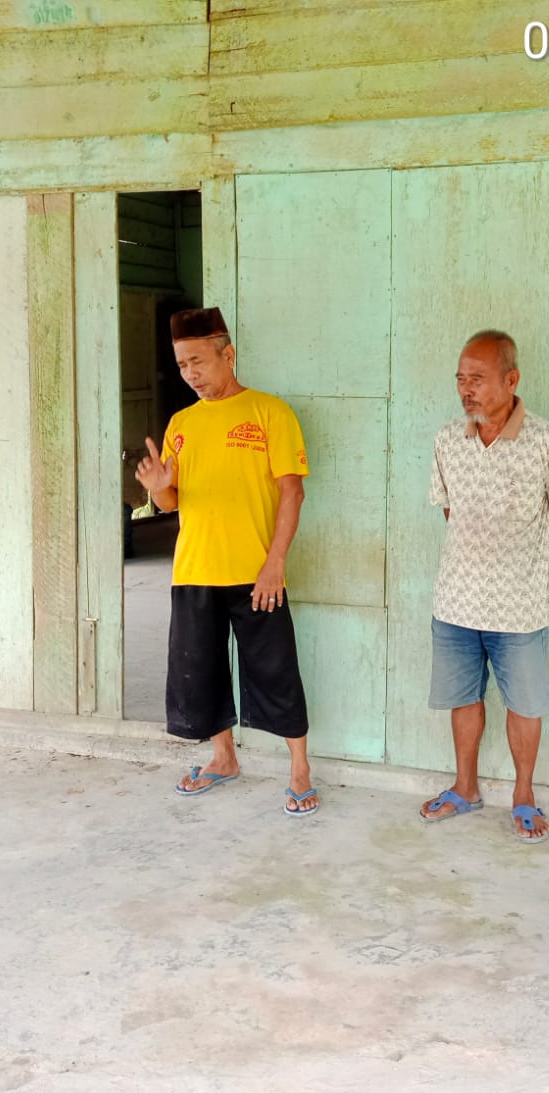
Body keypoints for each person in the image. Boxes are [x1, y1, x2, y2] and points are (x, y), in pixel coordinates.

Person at [133, 307, 318, 816]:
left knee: (277, 672)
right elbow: (172, 503)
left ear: (228, 354)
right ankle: (224, 758)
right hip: (195, 570)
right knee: (201, 672)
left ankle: (299, 770)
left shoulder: (270, 413)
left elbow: (292, 493)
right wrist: (159, 488)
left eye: (198, 361)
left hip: (257, 573)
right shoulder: (181, 424)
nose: (190, 373)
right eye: (181, 365)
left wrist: (275, 563)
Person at [418, 331, 549, 842]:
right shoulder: (449, 439)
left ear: (511, 380)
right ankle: (465, 788)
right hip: (456, 600)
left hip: (520, 606)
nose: (466, 389)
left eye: (478, 379)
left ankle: (523, 795)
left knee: (524, 704)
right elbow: (450, 509)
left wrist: (524, 553)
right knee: (463, 698)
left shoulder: (546, 441)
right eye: (461, 379)